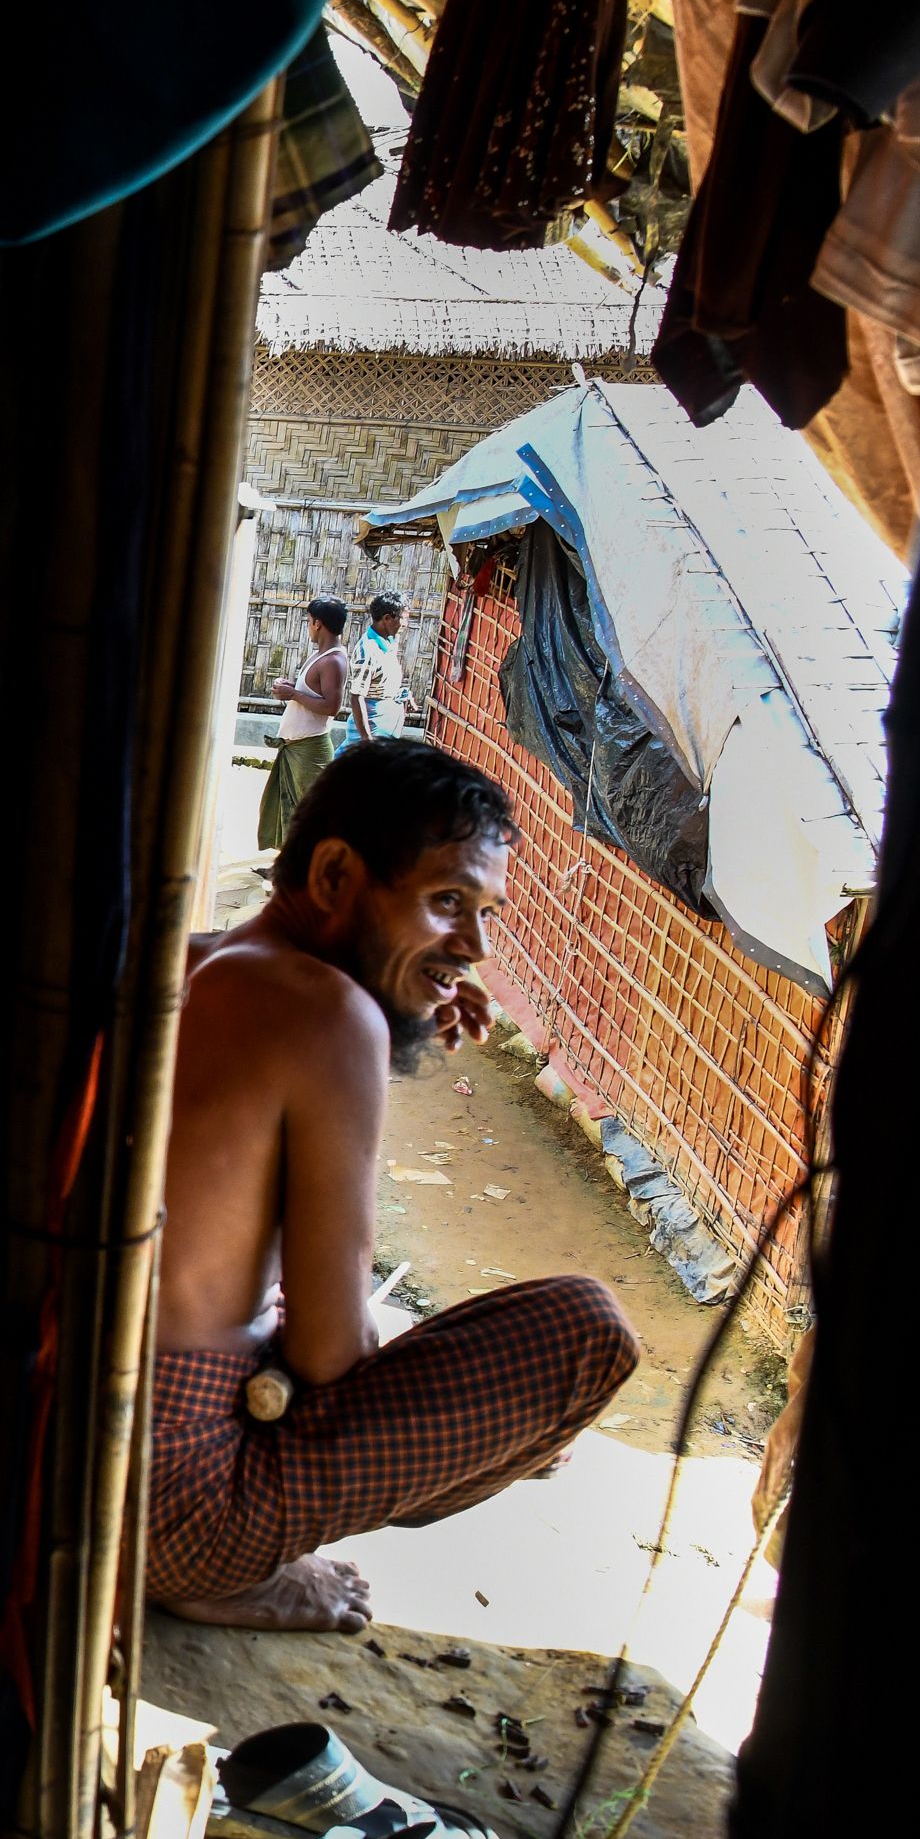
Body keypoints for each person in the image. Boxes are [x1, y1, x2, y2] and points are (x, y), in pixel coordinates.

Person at [151, 740, 641, 1633]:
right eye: (446, 903)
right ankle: (219, 1573)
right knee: (587, 1333)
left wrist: (394, 1011)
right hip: (173, 1510)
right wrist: (498, 1436)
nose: (475, 948)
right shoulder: (329, 1015)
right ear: (336, 873)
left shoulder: (198, 963)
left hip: (61, 1443)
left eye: (484, 913)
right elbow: (329, 1360)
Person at [256, 596, 353, 850]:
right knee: (290, 812)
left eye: (309, 621)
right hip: (296, 748)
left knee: (311, 818)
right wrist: (292, 690)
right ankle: (287, 867)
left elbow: (332, 707)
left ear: (318, 623)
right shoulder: (321, 655)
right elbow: (313, 695)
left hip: (310, 750)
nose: (309, 626)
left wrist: (294, 694)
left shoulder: (333, 660)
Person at [346, 591, 409, 744]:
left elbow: (381, 681)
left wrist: (402, 694)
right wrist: (367, 739)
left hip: (386, 721)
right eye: (403, 619)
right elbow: (357, 696)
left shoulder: (389, 642)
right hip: (373, 724)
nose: (405, 624)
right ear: (387, 618)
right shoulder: (367, 650)